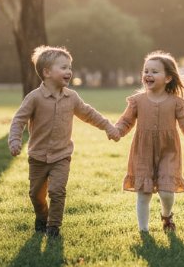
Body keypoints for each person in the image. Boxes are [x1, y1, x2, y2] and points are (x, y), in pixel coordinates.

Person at [8, 46, 118, 238]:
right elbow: (19, 120)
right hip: (38, 157)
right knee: (36, 195)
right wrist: (15, 140)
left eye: (70, 67)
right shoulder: (34, 98)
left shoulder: (72, 97)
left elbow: (89, 114)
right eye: (63, 67)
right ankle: (42, 217)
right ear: (47, 72)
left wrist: (108, 126)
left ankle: (53, 227)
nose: (69, 71)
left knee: (57, 191)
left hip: (62, 156)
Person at [111, 51, 184, 233]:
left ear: (168, 77)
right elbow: (125, 121)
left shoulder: (175, 102)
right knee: (144, 193)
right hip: (143, 151)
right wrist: (117, 131)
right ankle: (144, 231)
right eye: (146, 71)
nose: (148, 74)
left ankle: (167, 215)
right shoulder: (137, 101)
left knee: (166, 191)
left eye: (155, 71)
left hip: (168, 151)